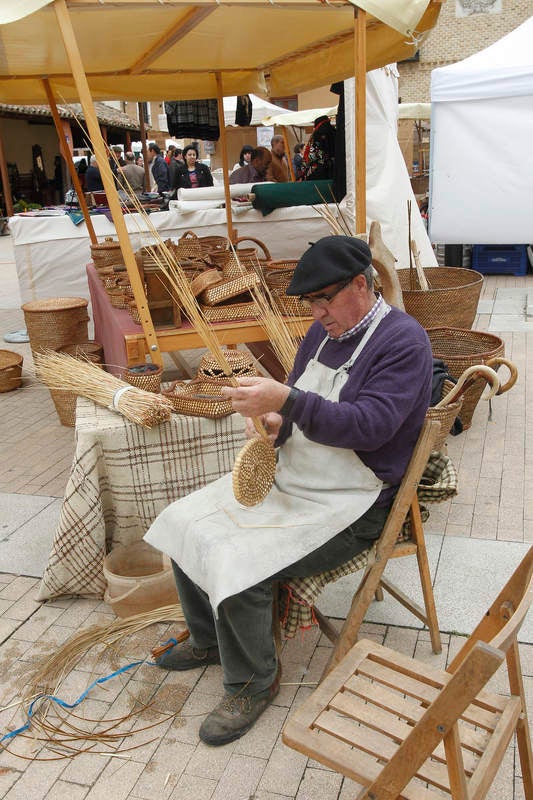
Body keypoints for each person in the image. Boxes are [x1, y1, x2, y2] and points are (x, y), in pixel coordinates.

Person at [145, 235, 433, 748]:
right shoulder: (323, 334)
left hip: (356, 501)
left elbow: (370, 426)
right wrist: (277, 420)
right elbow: (302, 407)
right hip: (300, 474)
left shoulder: (403, 342)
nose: (318, 313)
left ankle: (254, 682)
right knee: (187, 519)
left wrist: (290, 401)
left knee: (240, 555)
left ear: (361, 285)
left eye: (325, 299)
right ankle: (210, 639)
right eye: (311, 303)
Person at [302, 115, 336, 180]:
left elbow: (312, 156)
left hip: (319, 173)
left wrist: (304, 170)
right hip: (335, 171)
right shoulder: (334, 131)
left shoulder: (317, 134)